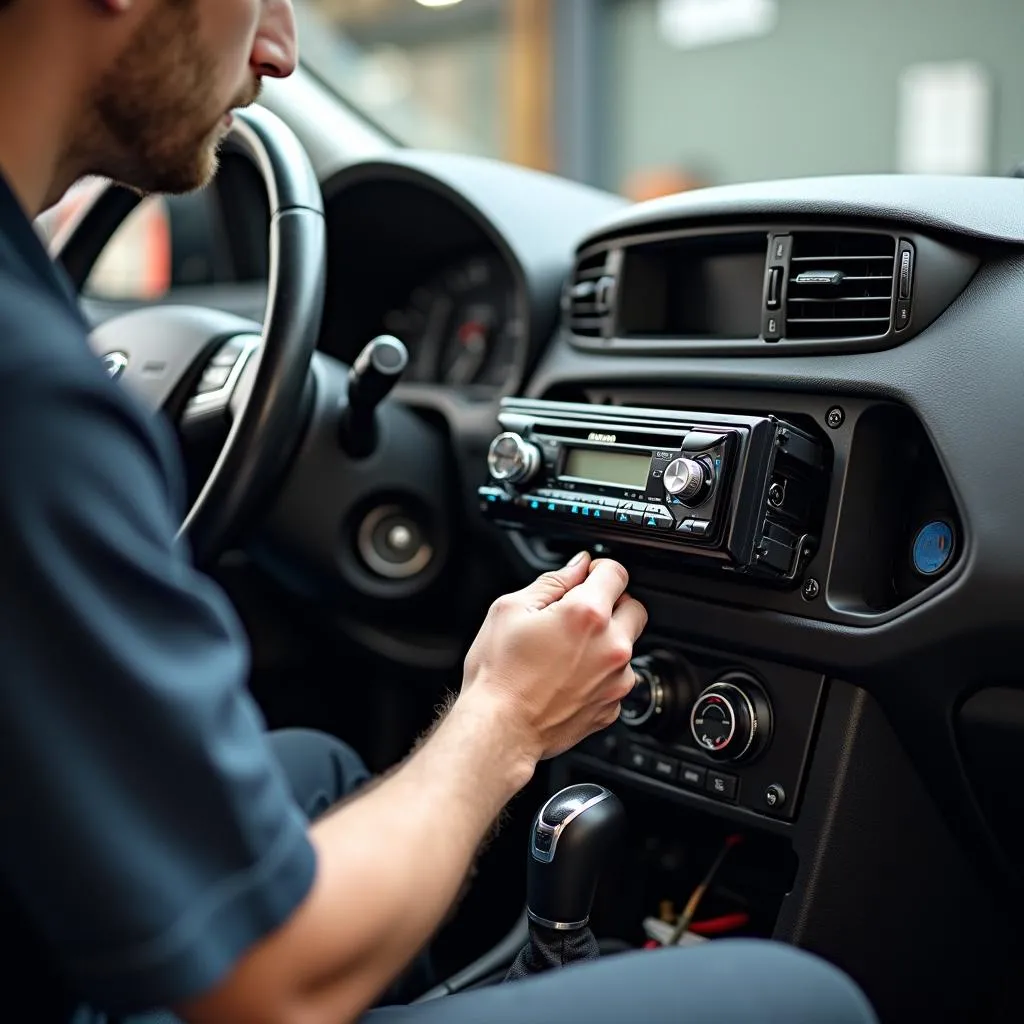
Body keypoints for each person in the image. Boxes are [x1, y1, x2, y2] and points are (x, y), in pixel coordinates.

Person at [0, 2, 878, 1023]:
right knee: (798, 997)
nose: (278, 46)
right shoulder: (33, 399)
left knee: (325, 771)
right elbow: (266, 979)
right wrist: (504, 716)